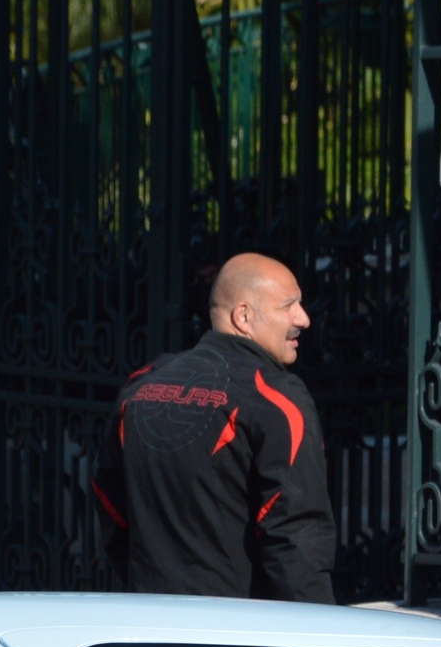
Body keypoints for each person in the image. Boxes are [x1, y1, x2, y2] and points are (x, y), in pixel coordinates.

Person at [92, 252, 336, 602]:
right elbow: (296, 535)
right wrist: (321, 640)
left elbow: (108, 499)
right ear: (244, 316)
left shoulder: (142, 385)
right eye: (288, 305)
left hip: (149, 622)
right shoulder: (277, 398)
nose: (304, 318)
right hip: (234, 637)